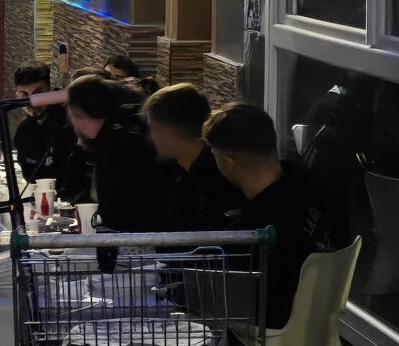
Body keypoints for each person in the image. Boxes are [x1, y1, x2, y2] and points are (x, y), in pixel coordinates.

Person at [204, 102, 351, 328]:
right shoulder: (322, 190)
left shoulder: (252, 234)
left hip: (270, 335)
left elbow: (225, 303)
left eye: (214, 154)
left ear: (229, 159)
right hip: (322, 327)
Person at [57, 74, 160, 232]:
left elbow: (113, 214)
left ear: (80, 115)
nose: (73, 126)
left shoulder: (115, 144)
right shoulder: (125, 131)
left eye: (74, 118)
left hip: (133, 238)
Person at [142, 83, 237, 232]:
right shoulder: (183, 172)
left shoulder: (213, 180)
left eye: (152, 127)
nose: (149, 137)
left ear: (171, 128)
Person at [10, 62, 72, 184]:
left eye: (38, 94)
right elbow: (29, 176)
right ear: (17, 96)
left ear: (51, 91)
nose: (32, 102)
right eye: (24, 95)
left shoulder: (68, 125)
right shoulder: (23, 131)